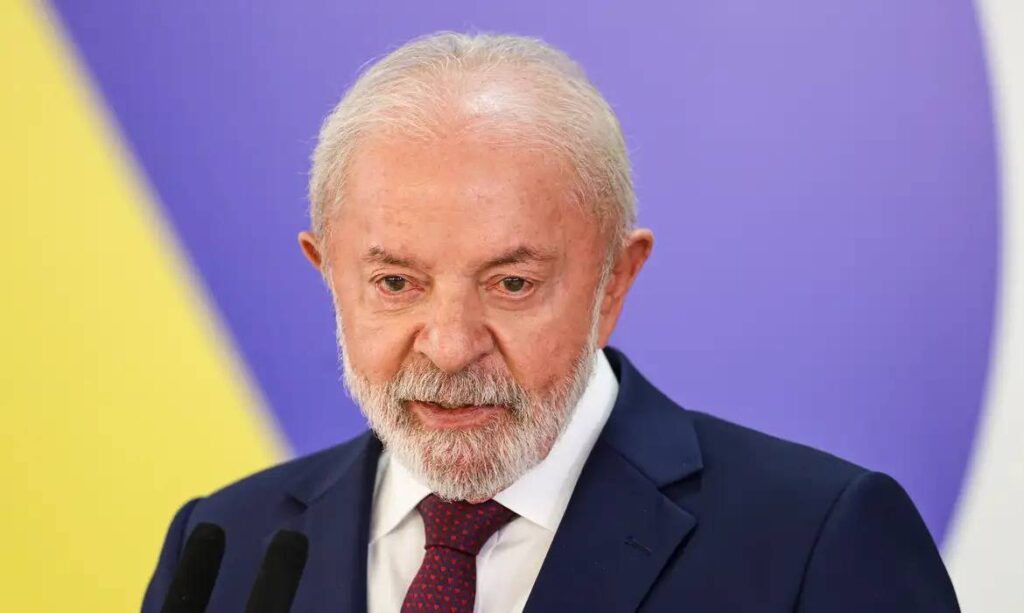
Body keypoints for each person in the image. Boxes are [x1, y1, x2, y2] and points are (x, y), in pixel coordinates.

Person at [142, 32, 959, 612]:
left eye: (511, 283)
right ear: (327, 272)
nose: (450, 347)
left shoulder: (817, 542)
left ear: (615, 282)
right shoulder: (222, 544)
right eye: (395, 282)